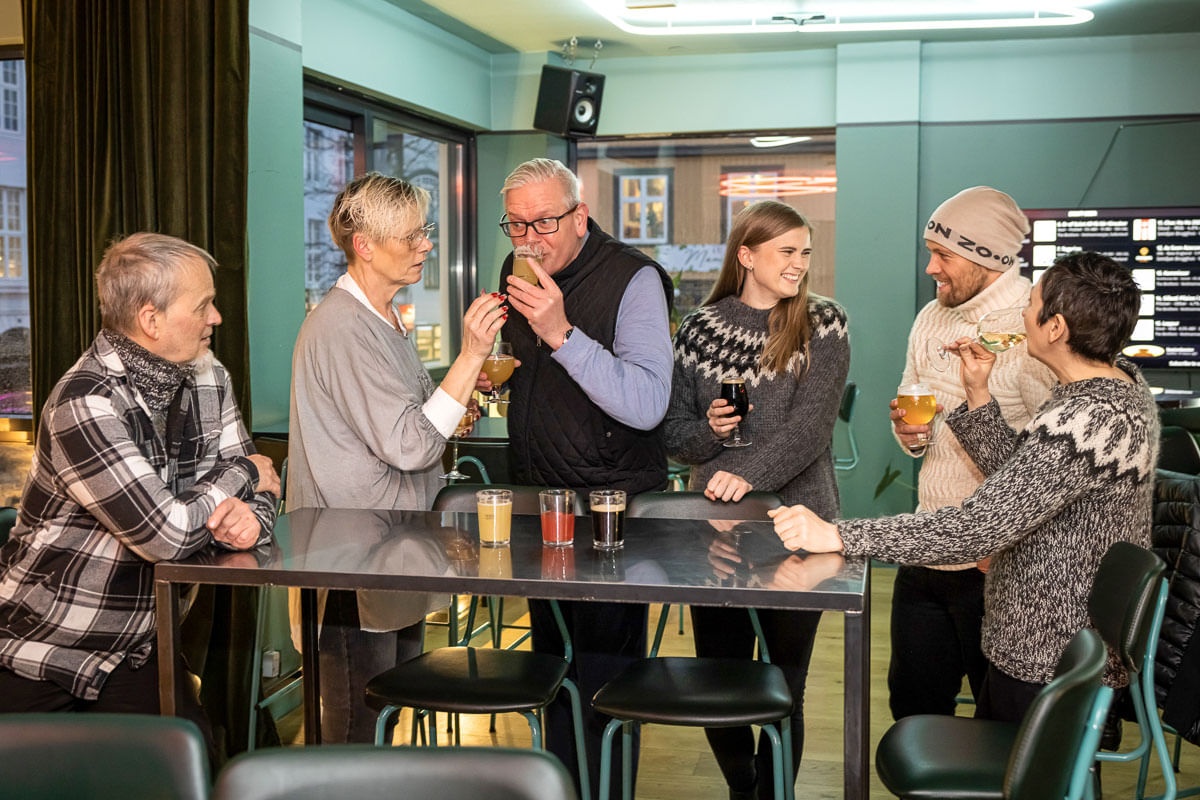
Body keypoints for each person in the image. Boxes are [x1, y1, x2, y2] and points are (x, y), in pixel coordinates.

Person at [772, 250, 1159, 723]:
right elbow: (1026, 485)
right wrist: (978, 394)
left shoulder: (1087, 420)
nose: (1022, 314)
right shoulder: (1116, 391)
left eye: (1031, 305)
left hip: (1049, 653)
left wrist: (839, 535)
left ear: (1055, 328)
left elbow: (979, 525)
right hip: (1058, 644)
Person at [0, 233, 279, 746]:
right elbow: (168, 534)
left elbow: (266, 485)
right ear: (151, 321)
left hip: (139, 646)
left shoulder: (209, 376)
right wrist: (245, 477)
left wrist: (254, 516)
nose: (216, 317)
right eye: (204, 306)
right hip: (43, 645)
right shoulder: (84, 404)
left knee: (192, 759)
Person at [287, 172, 505, 743]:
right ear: (364, 245)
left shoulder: (386, 319)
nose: (425, 245)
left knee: (388, 713)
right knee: (357, 726)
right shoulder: (340, 327)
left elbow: (402, 427)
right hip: (351, 558)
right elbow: (408, 445)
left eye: (425, 232)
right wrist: (470, 356)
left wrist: (451, 404)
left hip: (391, 548)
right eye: (410, 237)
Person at [498, 157, 673, 799]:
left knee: (604, 687)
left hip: (614, 517)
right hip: (542, 508)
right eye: (516, 225)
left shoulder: (636, 280)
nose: (529, 239)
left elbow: (648, 402)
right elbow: (529, 376)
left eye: (544, 221)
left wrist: (560, 332)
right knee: (552, 677)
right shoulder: (515, 272)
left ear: (580, 215)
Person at [664, 200, 848, 800]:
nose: (799, 264)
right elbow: (674, 434)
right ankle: (746, 790)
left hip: (802, 534)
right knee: (722, 684)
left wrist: (744, 473)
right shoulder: (698, 329)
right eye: (786, 252)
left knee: (782, 687)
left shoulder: (825, 324)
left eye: (805, 253)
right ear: (746, 255)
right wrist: (710, 432)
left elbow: (811, 431)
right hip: (713, 536)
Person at [886, 186, 1056, 720]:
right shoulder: (930, 317)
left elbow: (1049, 463)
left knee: (1002, 725)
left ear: (987, 257)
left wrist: (1007, 543)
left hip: (998, 564)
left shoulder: (1035, 325)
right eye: (929, 250)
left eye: (944, 255)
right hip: (929, 542)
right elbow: (914, 404)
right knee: (912, 710)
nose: (931, 268)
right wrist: (910, 435)